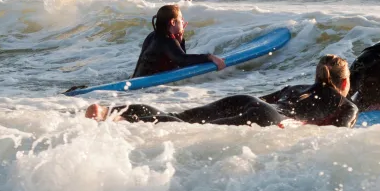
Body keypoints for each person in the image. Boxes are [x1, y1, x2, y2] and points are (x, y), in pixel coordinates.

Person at [85, 55, 358, 128]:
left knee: (178, 118)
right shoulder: (347, 106)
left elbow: (264, 100)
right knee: (185, 128)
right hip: (270, 119)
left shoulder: (297, 88)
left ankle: (113, 112)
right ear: (345, 83)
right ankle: (116, 118)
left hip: (246, 101)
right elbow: (336, 137)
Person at [132, 4, 225, 78]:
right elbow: (183, 61)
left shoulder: (152, 35)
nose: (183, 21)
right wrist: (210, 57)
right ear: (173, 22)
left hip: (138, 78)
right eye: (181, 19)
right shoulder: (167, 39)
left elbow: (178, 59)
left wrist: (180, 41)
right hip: (147, 85)